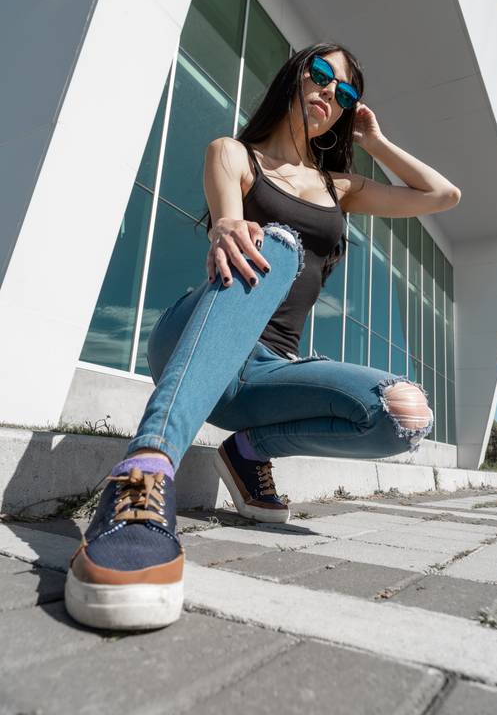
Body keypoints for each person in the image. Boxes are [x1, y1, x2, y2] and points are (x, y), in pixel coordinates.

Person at [64, 42, 461, 631]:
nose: (329, 91)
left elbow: (442, 196)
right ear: (293, 76)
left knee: (404, 416)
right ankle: (143, 474)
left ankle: (249, 453)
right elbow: (227, 216)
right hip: (195, 340)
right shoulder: (234, 153)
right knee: (272, 243)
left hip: (267, 373)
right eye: (320, 74)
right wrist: (228, 223)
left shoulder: (339, 189)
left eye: (345, 91)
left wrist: (373, 141)